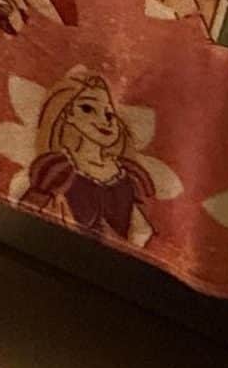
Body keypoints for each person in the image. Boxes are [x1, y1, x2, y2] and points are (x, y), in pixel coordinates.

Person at [20, 66, 155, 243]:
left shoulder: (127, 174)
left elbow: (142, 231)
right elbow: (26, 217)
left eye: (109, 114)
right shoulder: (57, 169)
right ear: (67, 113)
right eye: (87, 108)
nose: (104, 120)